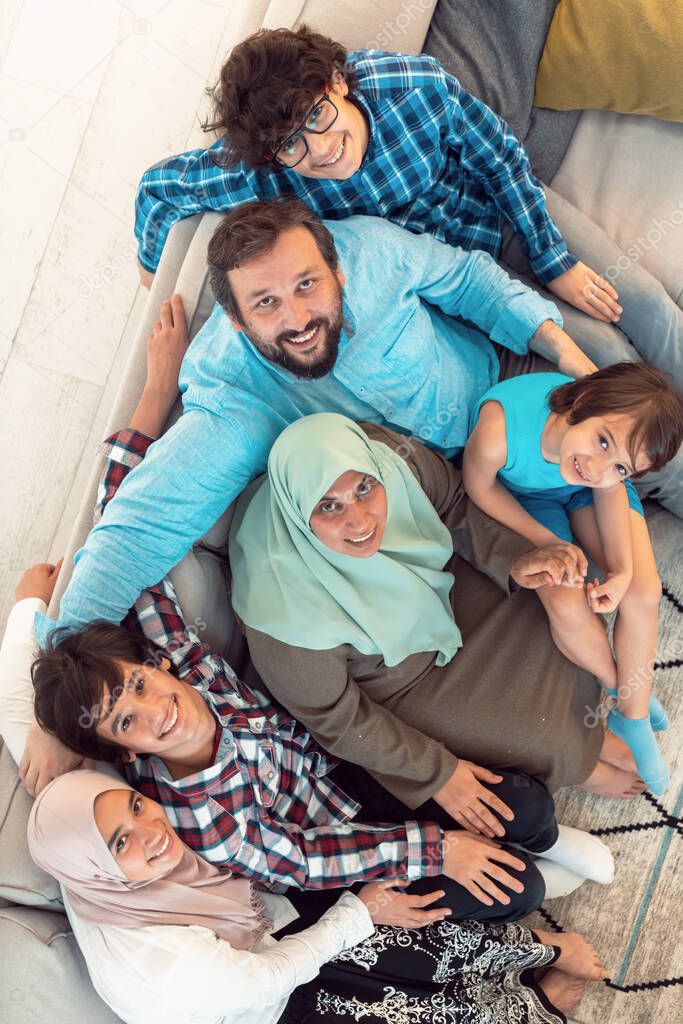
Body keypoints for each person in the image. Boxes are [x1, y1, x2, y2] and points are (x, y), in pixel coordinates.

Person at [20, 335, 611, 919]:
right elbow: (308, 858)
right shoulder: (202, 817)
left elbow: (130, 528)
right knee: (516, 885)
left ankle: (542, 833)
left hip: (347, 769)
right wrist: (441, 844)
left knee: (523, 809)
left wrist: (152, 392)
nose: (157, 711)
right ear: (121, 751)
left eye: (140, 687)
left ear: (151, 668)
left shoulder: (178, 654)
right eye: (127, 722)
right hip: (346, 844)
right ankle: (531, 857)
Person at [44, 192, 675, 655]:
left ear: (338, 269)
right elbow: (138, 528)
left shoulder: (372, 253)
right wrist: (52, 677)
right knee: (572, 578)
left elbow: (469, 280)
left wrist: (571, 362)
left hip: (515, 380)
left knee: (641, 410)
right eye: (266, 304)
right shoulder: (233, 400)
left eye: (308, 286)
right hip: (455, 487)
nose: (297, 319)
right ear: (236, 323)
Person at [134, 25, 682, 392]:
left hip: (506, 213)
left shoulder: (411, 85)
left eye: (319, 116)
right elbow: (160, 187)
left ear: (338, 82)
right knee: (606, 355)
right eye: (292, 144)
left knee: (646, 304)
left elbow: (500, 159)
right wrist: (150, 260)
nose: (320, 149)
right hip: (454, 281)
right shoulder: (265, 169)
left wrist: (553, 259)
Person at [228, 411, 644, 810]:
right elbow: (337, 719)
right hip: (401, 677)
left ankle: (590, 733)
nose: (359, 522)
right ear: (301, 515)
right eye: (329, 507)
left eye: (363, 491)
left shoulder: (385, 457)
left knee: (561, 612)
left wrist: (515, 563)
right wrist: (435, 772)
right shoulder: (280, 615)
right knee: (537, 735)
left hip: (443, 588)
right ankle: (578, 763)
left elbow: (455, 505)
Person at [25, 770, 607, 1024]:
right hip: (265, 1005)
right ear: (97, 869)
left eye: (133, 805)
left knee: (418, 940)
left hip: (268, 929)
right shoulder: (166, 966)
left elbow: (26, 724)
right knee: (420, 1009)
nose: (150, 830)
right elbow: (272, 977)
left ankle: (540, 949)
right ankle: (539, 1010)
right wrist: (358, 913)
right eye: (122, 841)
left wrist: (28, 607)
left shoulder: (83, 850)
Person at [463, 364, 683, 795]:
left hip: (586, 496)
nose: (600, 464)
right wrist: (548, 542)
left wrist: (620, 572)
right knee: (565, 601)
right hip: (525, 500)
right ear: (580, 404)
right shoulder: (498, 432)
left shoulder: (602, 473)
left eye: (622, 466)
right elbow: (479, 489)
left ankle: (632, 715)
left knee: (643, 589)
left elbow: (604, 487)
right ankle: (619, 687)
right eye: (602, 441)